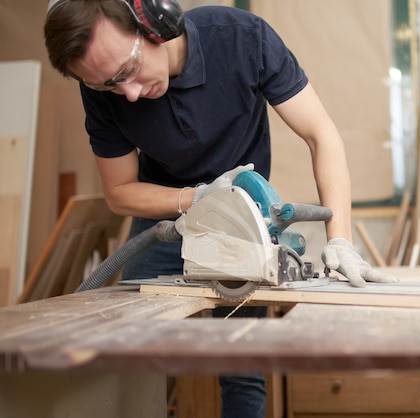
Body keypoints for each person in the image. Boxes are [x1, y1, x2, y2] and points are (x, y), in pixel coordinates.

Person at [44, 0, 397, 416]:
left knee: (241, 364)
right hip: (165, 220)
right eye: (109, 86)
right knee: (132, 350)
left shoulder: (242, 39)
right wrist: (195, 199)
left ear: (154, 22)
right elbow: (120, 191)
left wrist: (340, 238)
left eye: (127, 72)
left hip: (242, 223)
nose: (130, 94)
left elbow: (322, 136)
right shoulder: (104, 87)